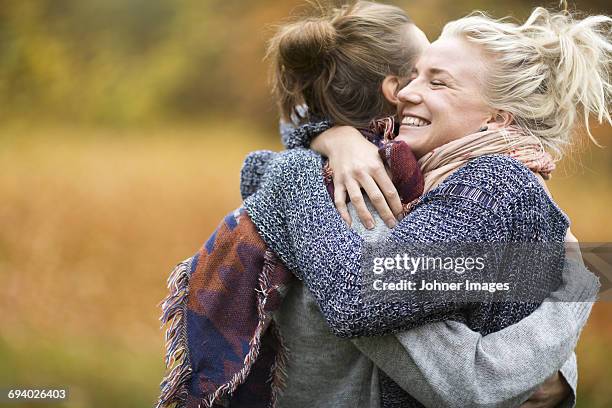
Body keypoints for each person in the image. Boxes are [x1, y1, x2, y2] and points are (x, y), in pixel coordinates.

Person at [157, 3, 600, 408]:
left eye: (437, 81)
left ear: (497, 118)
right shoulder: (401, 178)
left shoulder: (491, 186)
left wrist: (298, 170)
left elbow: (365, 296)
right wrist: (327, 138)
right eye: (413, 76)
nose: (407, 93)